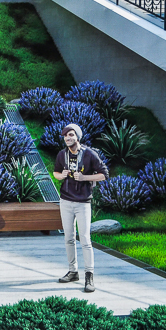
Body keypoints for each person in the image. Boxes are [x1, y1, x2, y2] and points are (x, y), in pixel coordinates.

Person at [52, 124, 108, 293]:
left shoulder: (90, 154)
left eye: (70, 135)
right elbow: (55, 172)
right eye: (65, 136)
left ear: (77, 136)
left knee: (84, 239)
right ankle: (72, 271)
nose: (67, 138)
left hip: (83, 202)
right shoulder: (62, 154)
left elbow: (104, 174)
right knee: (68, 237)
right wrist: (60, 175)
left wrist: (84, 177)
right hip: (66, 201)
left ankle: (89, 276)